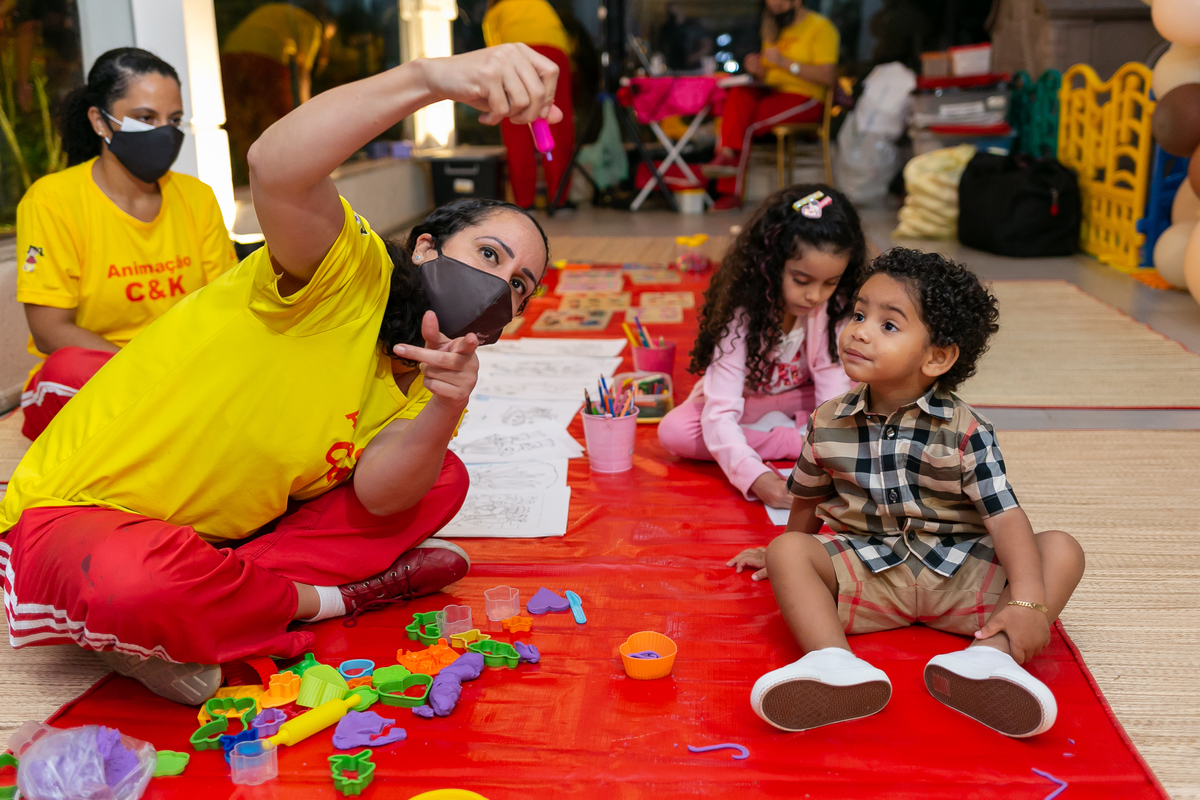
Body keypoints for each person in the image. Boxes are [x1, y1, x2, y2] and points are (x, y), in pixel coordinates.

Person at [0, 44, 562, 705]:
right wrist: (428, 79)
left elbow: (381, 496)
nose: (499, 284)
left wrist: (443, 406)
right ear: (426, 248)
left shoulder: (444, 363)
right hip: (91, 513)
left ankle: (217, 603)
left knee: (441, 476)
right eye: (489, 254)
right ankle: (324, 600)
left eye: (519, 285)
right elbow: (276, 165)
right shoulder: (347, 271)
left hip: (228, 529)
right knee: (129, 583)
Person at [728, 249, 1086, 737]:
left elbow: (1005, 518)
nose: (859, 330)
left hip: (961, 578)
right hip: (869, 579)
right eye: (858, 313)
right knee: (787, 549)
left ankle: (992, 659)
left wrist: (1025, 603)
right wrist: (787, 558)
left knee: (1061, 549)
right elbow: (807, 501)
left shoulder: (966, 431)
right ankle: (834, 663)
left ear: (937, 357)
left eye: (889, 325)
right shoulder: (827, 420)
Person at [16, 48, 237, 441]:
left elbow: (225, 309)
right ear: (100, 121)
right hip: (99, 377)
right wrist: (146, 375)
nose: (165, 132)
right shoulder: (51, 200)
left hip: (184, 375)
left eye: (174, 120)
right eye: (145, 118)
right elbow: (50, 331)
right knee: (65, 371)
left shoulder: (198, 198)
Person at [658, 185, 862, 509]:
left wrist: (831, 455)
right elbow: (722, 409)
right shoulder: (742, 313)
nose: (815, 296)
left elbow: (831, 389)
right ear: (771, 264)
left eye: (831, 282)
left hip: (803, 398)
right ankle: (793, 440)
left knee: (867, 405)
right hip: (751, 401)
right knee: (675, 431)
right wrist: (756, 477)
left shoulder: (832, 306)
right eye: (801, 280)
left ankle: (800, 437)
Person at [708, 0, 839, 209]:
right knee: (738, 93)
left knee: (743, 124)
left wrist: (784, 62)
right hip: (773, 93)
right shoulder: (774, 30)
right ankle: (726, 155)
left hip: (806, 98)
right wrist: (757, 69)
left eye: (780, 5)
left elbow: (828, 76)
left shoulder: (821, 27)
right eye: (771, 6)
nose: (775, 9)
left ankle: (729, 188)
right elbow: (770, 72)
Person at [221, 2, 335, 183]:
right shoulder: (312, 24)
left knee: (242, 122)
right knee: (276, 120)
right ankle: (281, 178)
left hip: (229, 55)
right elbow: (302, 72)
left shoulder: (281, 14)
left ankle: (249, 178)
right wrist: (307, 115)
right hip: (265, 58)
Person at [483, 0, 575, 210]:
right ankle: (559, 199)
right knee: (557, 122)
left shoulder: (495, 11)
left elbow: (492, 53)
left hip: (516, 52)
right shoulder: (540, 4)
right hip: (555, 53)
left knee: (516, 124)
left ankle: (525, 202)